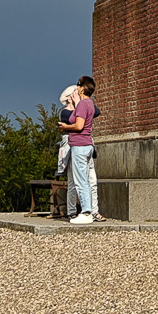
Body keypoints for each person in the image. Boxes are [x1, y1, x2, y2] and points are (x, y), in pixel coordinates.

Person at [60, 76, 98, 225]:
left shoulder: (82, 105)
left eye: (78, 86)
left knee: (80, 181)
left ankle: (86, 212)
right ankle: (89, 211)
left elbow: (79, 126)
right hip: (87, 145)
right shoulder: (89, 104)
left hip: (80, 146)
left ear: (82, 88)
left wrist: (65, 127)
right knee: (86, 180)